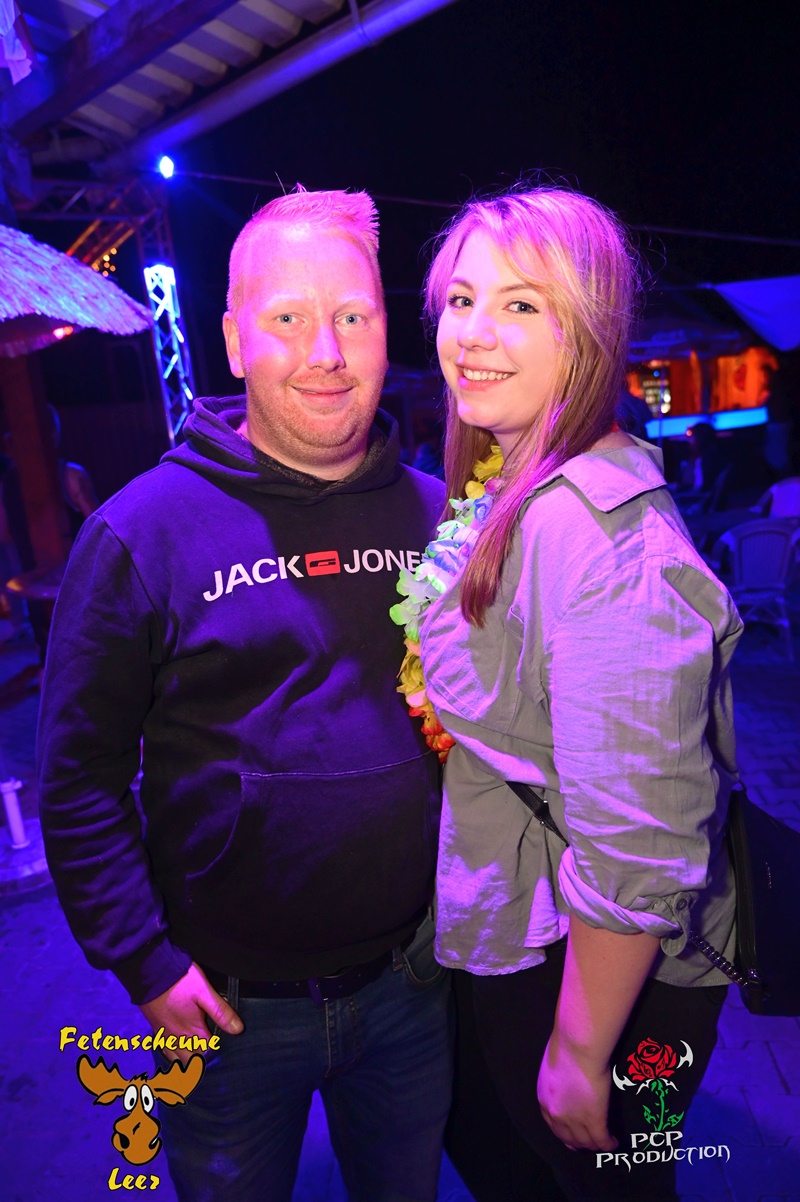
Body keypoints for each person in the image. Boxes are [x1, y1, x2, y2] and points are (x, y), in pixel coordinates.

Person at [38, 189, 451, 1202]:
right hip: (225, 1011)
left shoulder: (443, 518)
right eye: (287, 318)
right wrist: (142, 961)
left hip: (414, 986)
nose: (326, 352)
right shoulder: (141, 534)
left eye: (352, 316)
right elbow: (78, 776)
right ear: (232, 340)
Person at [414, 188, 742, 1202]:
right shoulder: (514, 484)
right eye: (461, 299)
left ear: (588, 330)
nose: (473, 333)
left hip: (593, 967)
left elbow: (642, 835)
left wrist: (580, 1044)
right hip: (528, 927)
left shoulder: (600, 538)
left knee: (609, 1188)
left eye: (520, 305)